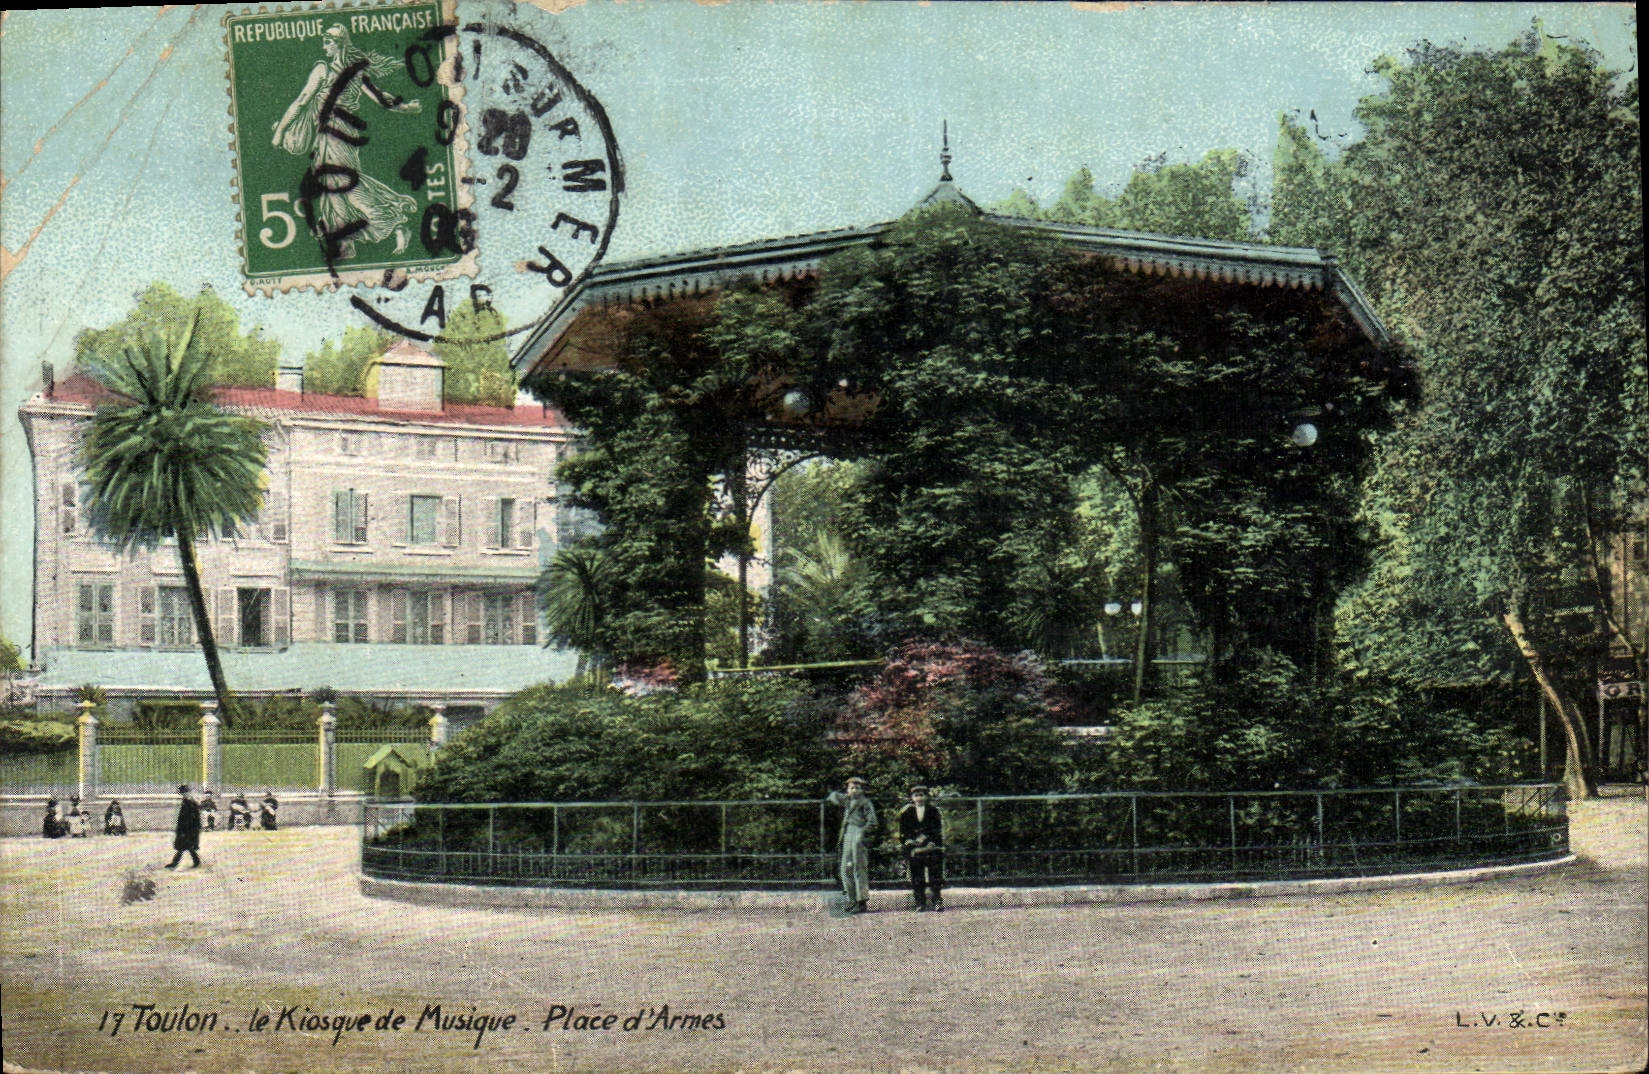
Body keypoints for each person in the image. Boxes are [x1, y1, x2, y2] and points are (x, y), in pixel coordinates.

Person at [270, 23, 420, 260]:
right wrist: (404, 107)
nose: (324, 46)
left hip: (337, 133)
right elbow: (381, 98)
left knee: (344, 182)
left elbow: (301, 101)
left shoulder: (325, 70)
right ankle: (344, 240)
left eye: (328, 42)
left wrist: (280, 131)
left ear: (339, 43)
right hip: (334, 133)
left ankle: (391, 219)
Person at [826, 777, 878, 914]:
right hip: (847, 834)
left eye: (857, 787)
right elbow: (833, 796)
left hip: (859, 833)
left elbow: (873, 822)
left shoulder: (865, 802)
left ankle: (861, 901)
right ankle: (851, 899)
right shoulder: (847, 800)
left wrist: (862, 832)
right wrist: (846, 795)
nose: (854, 790)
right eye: (851, 788)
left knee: (858, 868)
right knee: (845, 868)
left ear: (862, 790)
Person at [897, 785, 945, 912]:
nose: (919, 798)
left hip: (930, 846)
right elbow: (903, 830)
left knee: (935, 874)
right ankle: (920, 902)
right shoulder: (907, 812)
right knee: (916, 875)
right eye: (916, 795)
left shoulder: (933, 811)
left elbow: (936, 829)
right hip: (914, 848)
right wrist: (910, 840)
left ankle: (937, 900)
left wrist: (927, 839)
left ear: (926, 796)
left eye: (922, 795)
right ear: (912, 798)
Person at [165, 784, 201, 869]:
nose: (184, 794)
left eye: (186, 792)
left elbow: (196, 818)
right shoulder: (185, 803)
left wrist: (194, 829)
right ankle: (195, 861)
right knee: (185, 846)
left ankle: (176, 863)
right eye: (183, 793)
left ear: (189, 792)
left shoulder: (192, 803)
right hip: (184, 829)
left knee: (186, 846)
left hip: (190, 829)